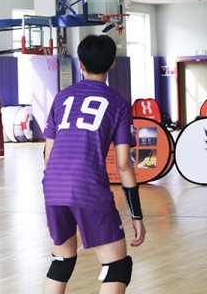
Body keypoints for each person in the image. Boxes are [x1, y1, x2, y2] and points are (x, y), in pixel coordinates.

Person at [41, 34, 146, 294]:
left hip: (53, 187)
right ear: (112, 64)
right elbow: (123, 164)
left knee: (61, 261)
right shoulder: (118, 103)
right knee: (117, 268)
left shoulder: (61, 98)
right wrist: (136, 215)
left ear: (81, 64)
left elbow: (48, 155)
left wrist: (54, 197)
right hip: (87, 186)